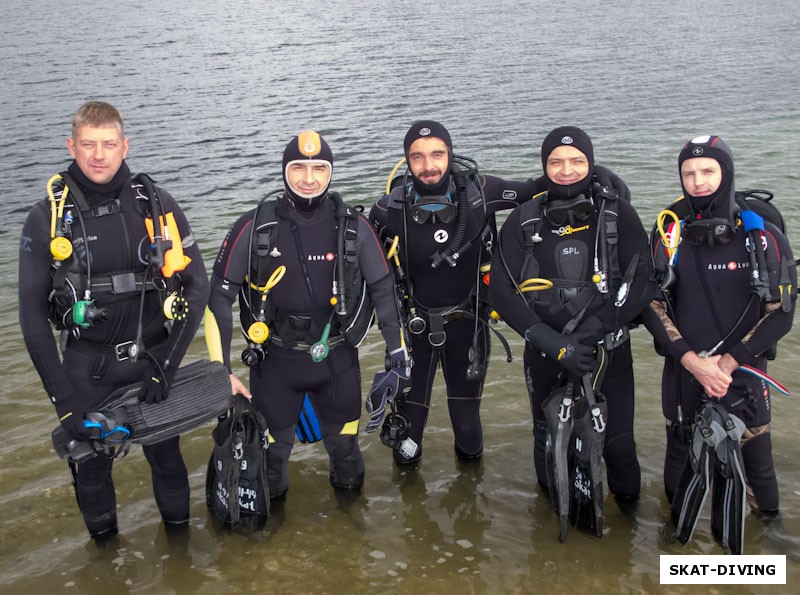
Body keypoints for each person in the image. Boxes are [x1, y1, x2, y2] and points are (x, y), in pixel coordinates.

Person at [19, 101, 209, 540]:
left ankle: (180, 555)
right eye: (88, 144)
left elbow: (197, 285)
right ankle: (106, 562)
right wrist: (63, 401)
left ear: (126, 146)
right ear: (72, 145)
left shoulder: (155, 204)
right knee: (91, 471)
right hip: (88, 370)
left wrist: (169, 366)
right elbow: (31, 319)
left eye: (108, 144)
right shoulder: (47, 218)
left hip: (153, 363)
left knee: (168, 461)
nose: (98, 155)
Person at [205, 130, 410, 500]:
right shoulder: (255, 227)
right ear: (285, 171)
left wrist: (397, 353)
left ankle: (352, 542)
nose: (310, 177)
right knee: (270, 459)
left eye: (320, 167)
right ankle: (269, 543)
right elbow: (218, 298)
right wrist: (221, 374)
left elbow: (383, 291)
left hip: (337, 361)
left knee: (346, 455)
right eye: (299, 167)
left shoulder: (354, 228)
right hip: (275, 363)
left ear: (331, 171)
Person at [489, 126, 655, 528]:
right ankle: (553, 519)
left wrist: (599, 326)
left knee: (618, 448)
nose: (566, 170)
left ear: (591, 163)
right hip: (545, 353)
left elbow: (643, 280)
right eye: (556, 162)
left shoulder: (616, 213)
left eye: (577, 161)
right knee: (548, 439)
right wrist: (546, 338)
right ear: (544, 167)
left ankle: (629, 530)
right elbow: (501, 288)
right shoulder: (524, 220)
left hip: (607, 352)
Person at [642, 135, 796, 533]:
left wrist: (725, 365)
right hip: (684, 371)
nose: (698, 180)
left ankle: (768, 549)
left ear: (726, 172)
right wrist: (694, 363)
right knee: (680, 457)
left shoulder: (763, 237)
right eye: (688, 173)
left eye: (708, 170)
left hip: (743, 372)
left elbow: (781, 316)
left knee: (757, 463)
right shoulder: (667, 234)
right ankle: (678, 551)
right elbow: (651, 306)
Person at [369, 120, 537, 466]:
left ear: (450, 154)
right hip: (413, 329)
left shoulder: (480, 192)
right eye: (417, 157)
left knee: (466, 425)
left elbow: (537, 189)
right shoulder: (388, 210)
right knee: (408, 434)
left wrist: (595, 172)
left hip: (468, 326)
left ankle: (471, 503)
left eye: (437, 154)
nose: (428, 165)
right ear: (406, 161)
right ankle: (410, 496)